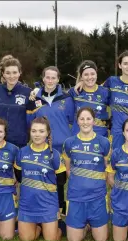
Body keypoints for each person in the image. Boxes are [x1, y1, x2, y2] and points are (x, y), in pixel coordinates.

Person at [28, 66, 74, 215]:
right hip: (42, 145)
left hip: (62, 147)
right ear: (43, 79)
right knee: (44, 177)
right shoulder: (35, 99)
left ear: (58, 79)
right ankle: (45, 208)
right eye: (47, 77)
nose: (50, 80)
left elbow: (73, 121)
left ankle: (61, 210)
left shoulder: (66, 98)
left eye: (53, 77)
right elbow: (30, 120)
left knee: (61, 179)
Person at [62, 107, 112, 241]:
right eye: (82, 119)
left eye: (88, 119)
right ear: (77, 121)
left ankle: (91, 223)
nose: (85, 122)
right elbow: (68, 170)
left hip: (97, 196)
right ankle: (84, 225)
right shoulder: (69, 143)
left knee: (101, 240)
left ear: (94, 121)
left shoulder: (104, 142)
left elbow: (106, 169)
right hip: (76, 197)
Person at [15, 117, 64, 241]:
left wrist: (59, 206)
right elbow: (19, 176)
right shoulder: (22, 152)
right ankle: (39, 227)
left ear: (48, 133)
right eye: (34, 131)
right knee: (26, 239)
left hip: (47, 204)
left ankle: (59, 226)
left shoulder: (55, 154)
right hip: (27, 203)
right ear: (30, 132)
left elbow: (61, 180)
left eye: (41, 131)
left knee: (51, 239)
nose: (37, 135)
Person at [0, 55, 35, 148]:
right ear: (3, 74)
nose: (11, 76)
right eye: (8, 73)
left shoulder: (28, 92)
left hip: (18, 143)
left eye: (14, 72)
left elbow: (32, 118)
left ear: (20, 73)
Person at [68, 60, 111, 137]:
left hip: (99, 137)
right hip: (78, 138)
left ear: (96, 74)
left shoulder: (105, 92)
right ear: (81, 76)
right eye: (86, 74)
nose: (90, 77)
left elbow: (117, 108)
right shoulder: (74, 92)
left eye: (92, 74)